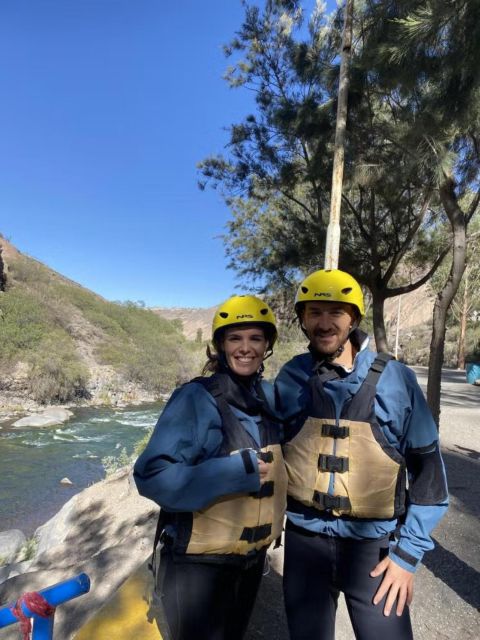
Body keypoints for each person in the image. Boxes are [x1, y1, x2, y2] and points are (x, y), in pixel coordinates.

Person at [275, 269, 448, 640]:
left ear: (353, 318)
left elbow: (430, 475)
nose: (324, 323)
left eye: (335, 312)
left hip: (374, 551)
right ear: (303, 320)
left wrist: (406, 557)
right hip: (305, 547)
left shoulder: (395, 378)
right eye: (314, 313)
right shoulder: (290, 378)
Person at [134, 295, 287, 640]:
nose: (245, 348)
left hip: (247, 564)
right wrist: (231, 473)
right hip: (197, 571)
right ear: (220, 345)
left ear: (267, 346)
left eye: (255, 338)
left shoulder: (266, 398)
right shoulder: (195, 398)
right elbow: (151, 476)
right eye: (235, 338)